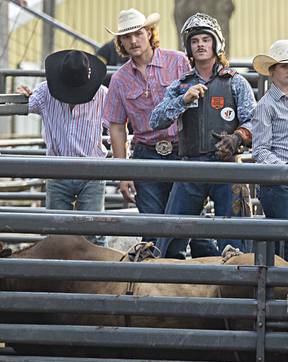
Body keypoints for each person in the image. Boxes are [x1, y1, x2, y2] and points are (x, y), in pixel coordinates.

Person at [149, 13, 255, 258]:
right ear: (189, 47)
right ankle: (167, 286)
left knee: (236, 239)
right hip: (190, 167)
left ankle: (238, 288)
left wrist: (238, 137)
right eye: (195, 40)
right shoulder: (181, 85)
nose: (200, 45)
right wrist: (182, 101)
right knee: (171, 233)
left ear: (216, 45)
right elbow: (156, 120)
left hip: (228, 167)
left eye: (206, 39)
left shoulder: (235, 82)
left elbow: (256, 122)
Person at [103, 8, 205, 249]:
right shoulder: (119, 79)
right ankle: (155, 279)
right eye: (126, 37)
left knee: (186, 224)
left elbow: (198, 107)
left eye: (138, 33)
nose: (133, 41)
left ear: (149, 33)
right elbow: (117, 127)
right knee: (152, 225)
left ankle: (185, 274)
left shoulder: (178, 61)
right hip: (146, 154)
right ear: (121, 42)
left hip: (182, 152)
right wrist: (123, 173)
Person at [17, 50, 108, 245]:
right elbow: (22, 104)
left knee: (94, 234)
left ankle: (98, 274)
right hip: (58, 170)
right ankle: (63, 273)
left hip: (91, 170)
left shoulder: (102, 95)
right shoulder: (44, 92)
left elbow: (117, 124)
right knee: (56, 233)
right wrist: (22, 96)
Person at [251, 39, 288, 255]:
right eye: (285, 66)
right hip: (280, 183)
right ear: (273, 70)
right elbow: (260, 150)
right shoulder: (265, 106)